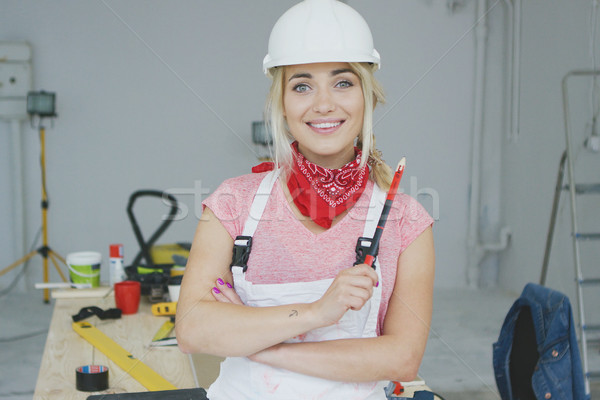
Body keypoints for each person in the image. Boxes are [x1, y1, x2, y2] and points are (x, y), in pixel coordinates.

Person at [175, 0, 435, 399]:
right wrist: (317, 312)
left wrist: (259, 343)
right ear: (281, 101)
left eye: (343, 82)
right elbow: (193, 330)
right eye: (302, 85)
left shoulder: (405, 220)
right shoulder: (232, 204)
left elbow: (401, 357)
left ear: (367, 95)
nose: (324, 104)